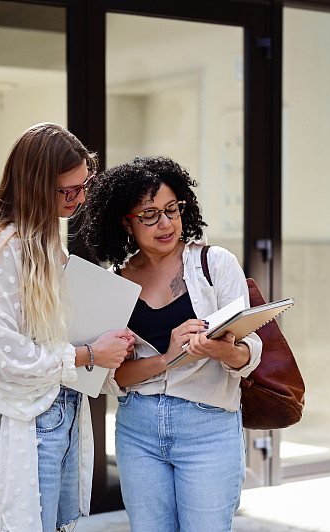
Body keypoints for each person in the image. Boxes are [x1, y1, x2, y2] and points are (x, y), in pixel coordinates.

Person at [0, 122, 135, 532]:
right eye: (67, 191)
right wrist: (90, 354)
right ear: (36, 186)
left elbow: (45, 332)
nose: (80, 199)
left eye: (84, 186)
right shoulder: (6, 247)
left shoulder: (44, 238)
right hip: (31, 420)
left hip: (59, 407)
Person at [81, 156, 262, 532]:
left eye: (171, 210)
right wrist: (168, 357)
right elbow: (109, 378)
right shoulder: (114, 282)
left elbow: (248, 355)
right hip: (138, 430)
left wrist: (217, 348)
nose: (165, 223)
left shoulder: (216, 264)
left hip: (208, 428)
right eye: (149, 215)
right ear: (125, 222)